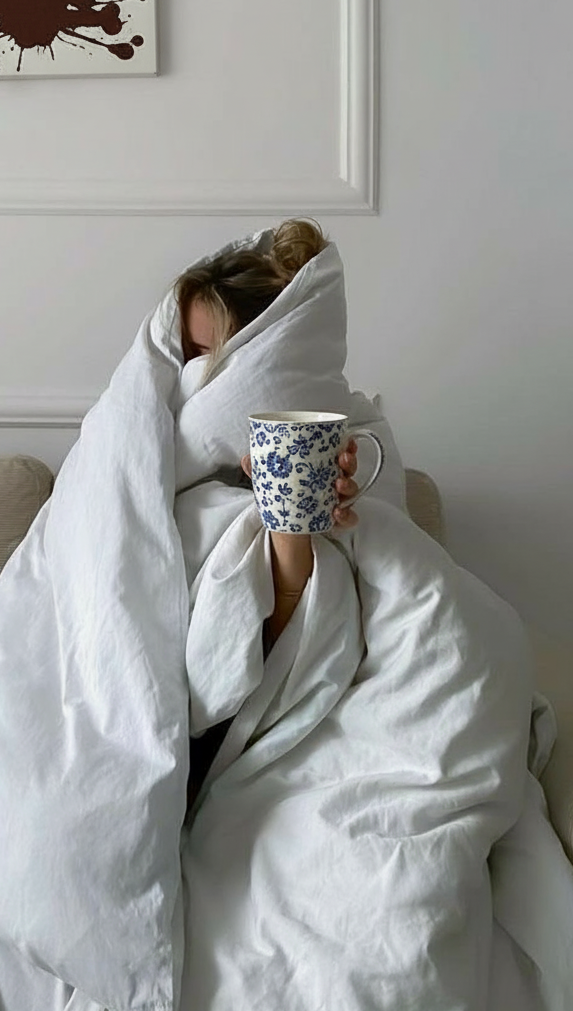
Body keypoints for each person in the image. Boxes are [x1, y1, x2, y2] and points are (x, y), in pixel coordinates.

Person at [177, 217, 362, 808]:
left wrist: (291, 521)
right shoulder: (151, 453)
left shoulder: (350, 435)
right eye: (186, 353)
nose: (188, 372)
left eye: (207, 354)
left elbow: (287, 643)